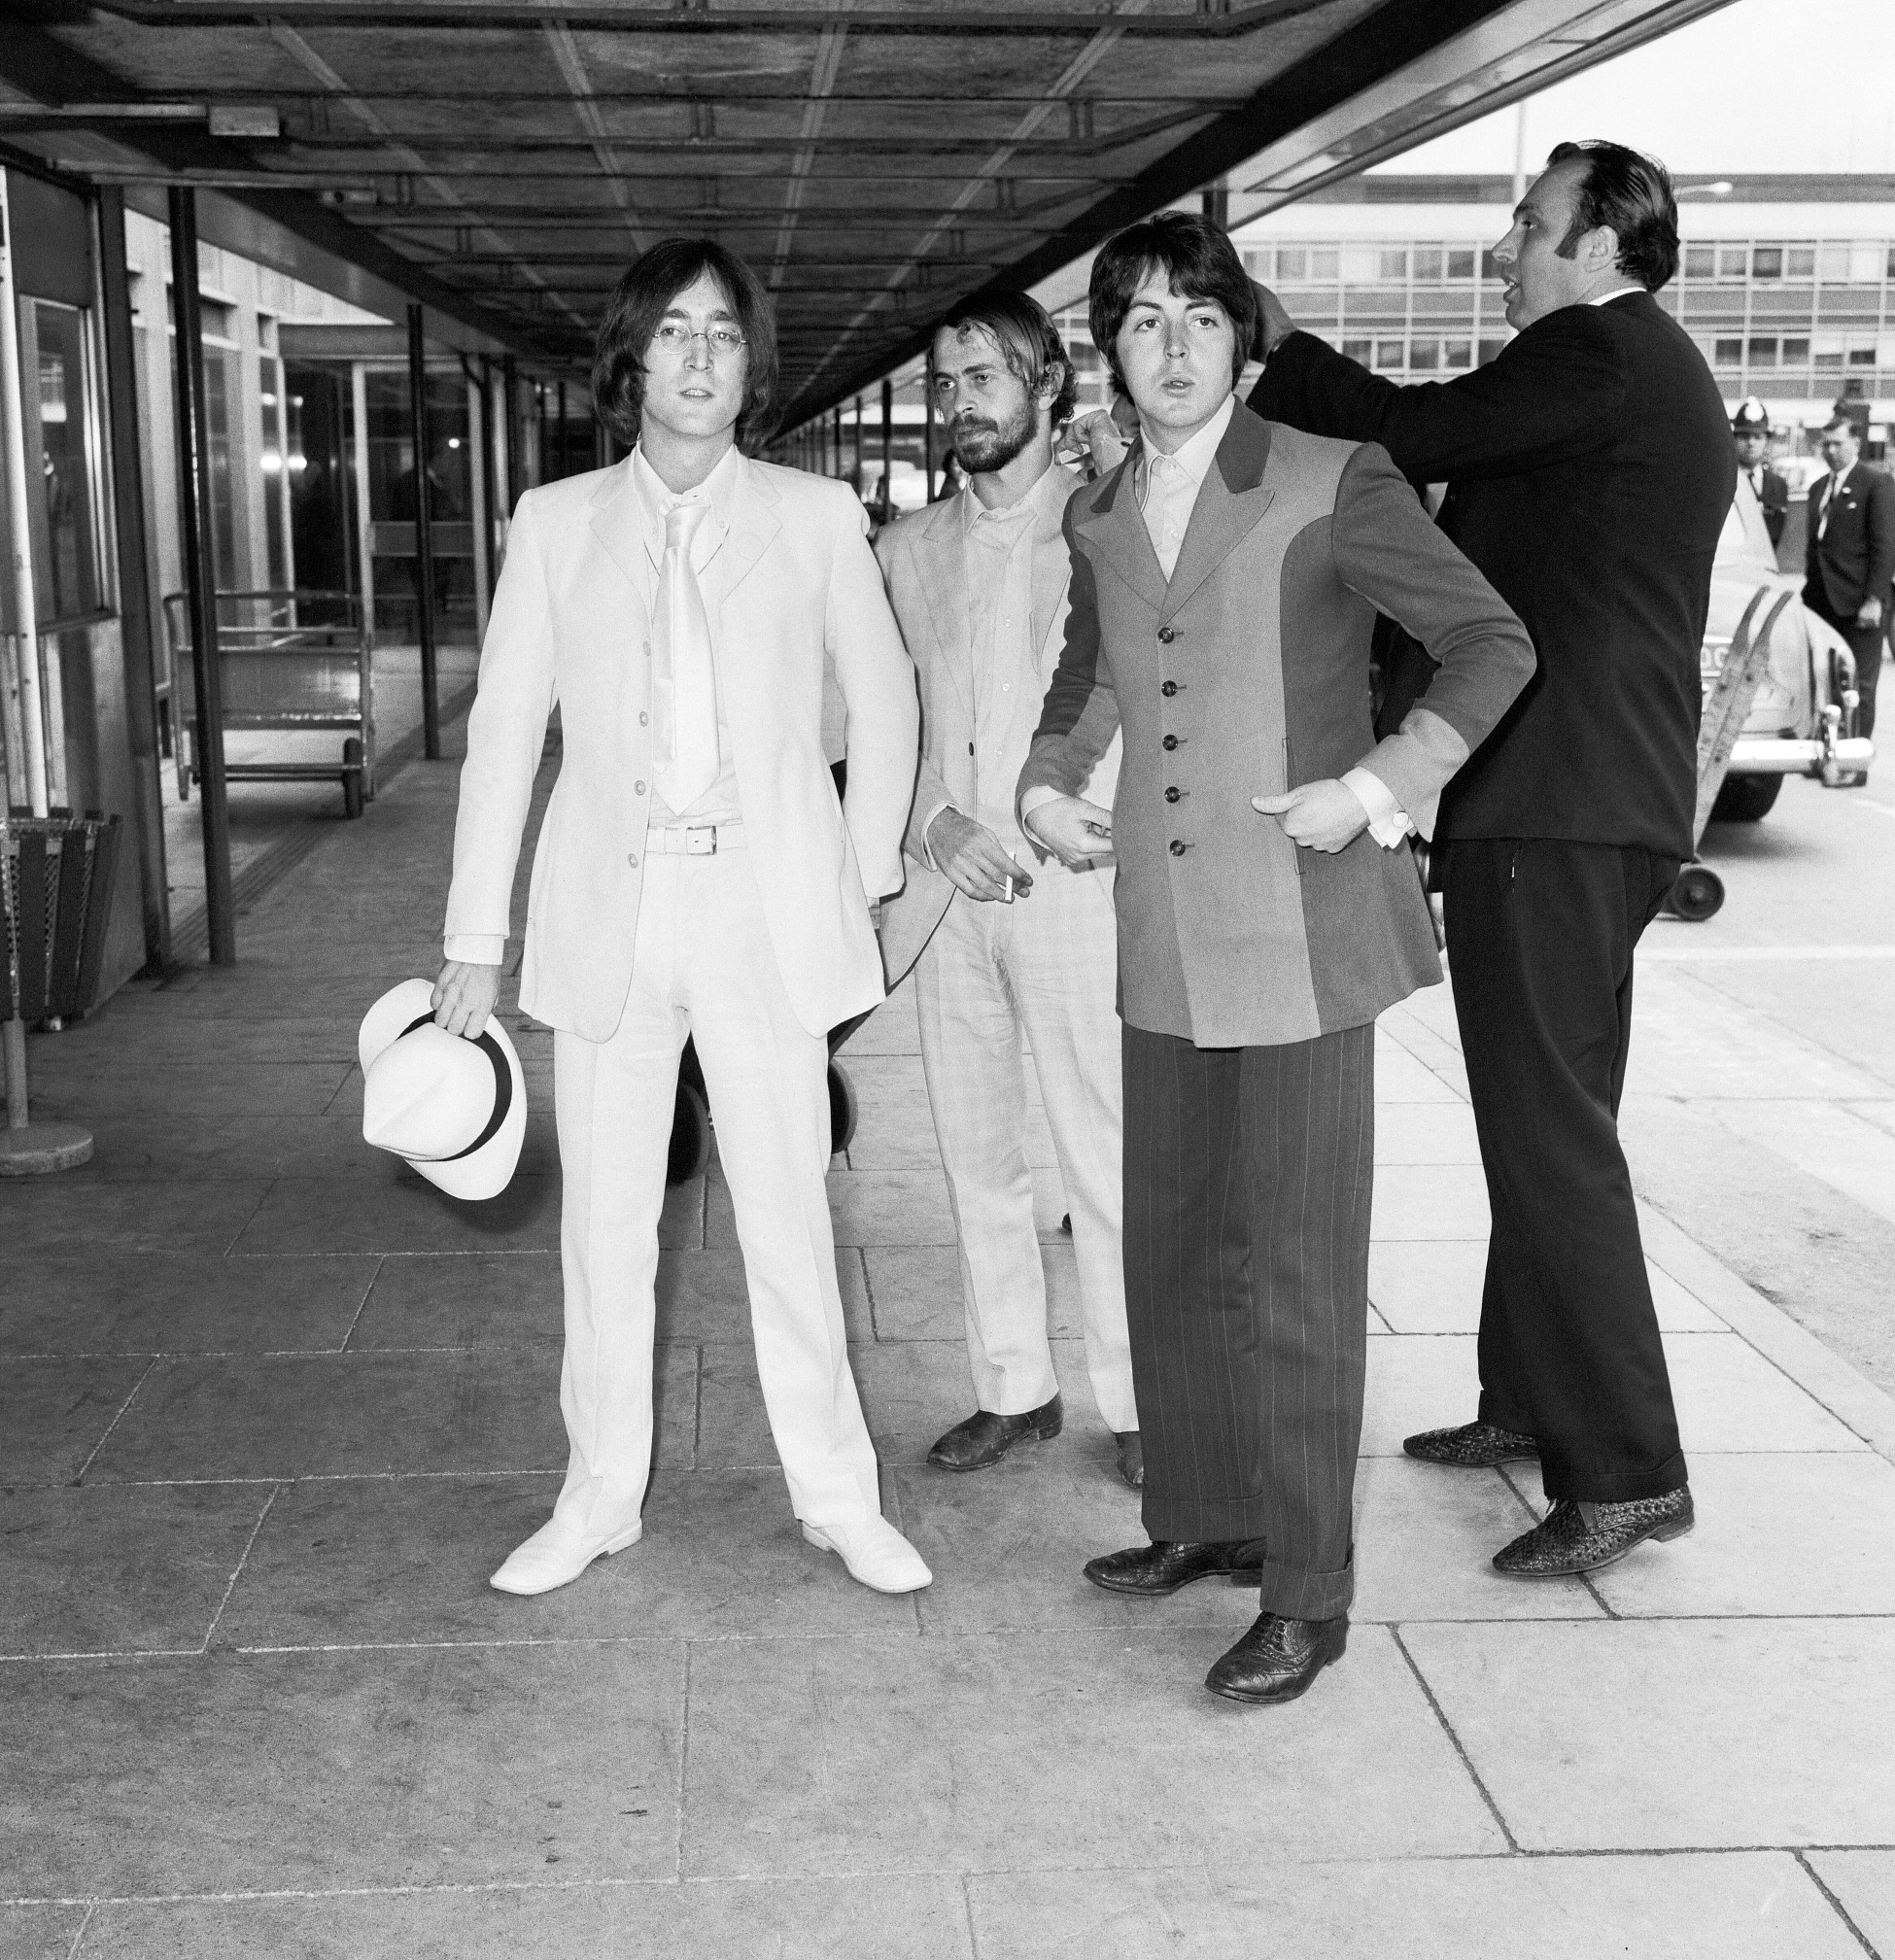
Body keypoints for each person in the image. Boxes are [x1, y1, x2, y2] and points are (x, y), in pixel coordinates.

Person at [1018, 212, 1533, 1704]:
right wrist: (1052, 778)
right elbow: (1090, 667)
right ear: (1109, 352)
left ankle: (1307, 1592)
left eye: (1197, 316)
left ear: (1244, 338)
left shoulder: (1331, 477)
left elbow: (1491, 643)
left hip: (1304, 937)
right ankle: (1205, 1515)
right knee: (1173, 1248)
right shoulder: (1101, 508)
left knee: (1302, 1276)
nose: (1170, 346)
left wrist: (1377, 789)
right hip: (1164, 939)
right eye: (1139, 320)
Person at [1248, 140, 1735, 1579]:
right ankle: (1528, 1404)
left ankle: (1630, 1472)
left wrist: (1283, 347)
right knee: (1550, 1118)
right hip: (1587, 800)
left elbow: (1414, 428)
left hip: (1561, 801)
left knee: (1549, 1137)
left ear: (1599, 246)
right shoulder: (1630, 376)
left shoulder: (1599, 351)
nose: (1505, 250)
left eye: (1528, 225)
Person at [433, 238, 932, 1599]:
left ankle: (839, 1496)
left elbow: (884, 703)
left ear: (748, 363)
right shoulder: (554, 522)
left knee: (788, 1214)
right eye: (674, 333)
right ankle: (597, 1498)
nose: (699, 356)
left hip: (758, 905)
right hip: (612, 901)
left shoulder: (818, 517)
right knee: (604, 1228)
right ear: (632, 361)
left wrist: (866, 870)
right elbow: (500, 738)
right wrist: (476, 935)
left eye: (722, 333)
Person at [874, 292, 1139, 1490]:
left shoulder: (1105, 526)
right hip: (947, 897)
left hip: (1075, 885)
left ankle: (1137, 1404)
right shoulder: (903, 550)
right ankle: (1012, 1389)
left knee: (1103, 1150)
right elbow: (876, 725)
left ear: (1048, 389)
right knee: (973, 1153)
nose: (959, 403)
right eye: (944, 383)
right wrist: (926, 823)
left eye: (984, 377)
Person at [1805, 411, 1894, 746]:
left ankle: (1854, 758)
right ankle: (1829, 751)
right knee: (1825, 682)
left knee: (1859, 686)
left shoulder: (1876, 484)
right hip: (1821, 605)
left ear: (1856, 443)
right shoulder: (1817, 489)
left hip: (1861, 606)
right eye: (1825, 444)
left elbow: (1884, 547)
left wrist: (1874, 600)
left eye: (1837, 444)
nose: (1830, 451)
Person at [1732, 398, 1789, 549]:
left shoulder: (1779, 485)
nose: (1751, 443)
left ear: (1767, 442)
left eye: (1758, 437)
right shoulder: (1723, 482)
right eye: (1744, 437)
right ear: (1734, 440)